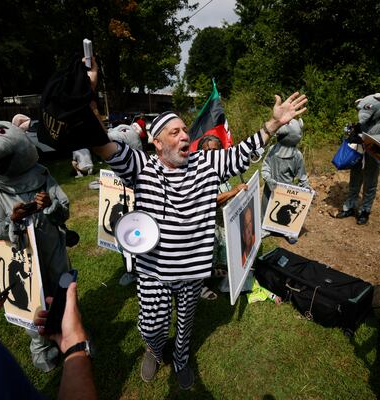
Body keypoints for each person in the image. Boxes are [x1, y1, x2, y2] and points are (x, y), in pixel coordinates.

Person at [95, 79, 306, 389]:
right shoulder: (141, 167)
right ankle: (153, 350)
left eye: (185, 130)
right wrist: (89, 100)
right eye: (175, 132)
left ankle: (181, 358)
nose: (185, 136)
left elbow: (243, 152)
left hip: (194, 269)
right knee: (152, 326)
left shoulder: (206, 163)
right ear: (157, 143)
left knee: (185, 324)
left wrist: (273, 123)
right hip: (154, 271)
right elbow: (103, 146)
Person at [0, 118, 71, 372]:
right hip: (22, 256)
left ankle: (70, 333)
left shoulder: (43, 175)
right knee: (33, 299)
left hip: (53, 247)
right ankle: (41, 347)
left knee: (62, 288)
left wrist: (50, 206)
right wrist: (13, 219)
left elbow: (64, 211)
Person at [197, 135, 248, 299]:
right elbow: (211, 201)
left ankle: (211, 272)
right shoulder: (198, 174)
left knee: (219, 249)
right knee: (204, 254)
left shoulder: (220, 170)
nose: (212, 154)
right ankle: (199, 286)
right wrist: (234, 191)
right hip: (204, 226)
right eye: (208, 151)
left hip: (220, 221)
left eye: (216, 151)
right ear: (200, 153)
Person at [335, 93, 380, 225]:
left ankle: (365, 210)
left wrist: (367, 138)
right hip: (359, 155)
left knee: (370, 183)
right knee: (354, 181)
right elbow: (357, 131)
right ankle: (350, 206)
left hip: (375, 156)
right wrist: (352, 132)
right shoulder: (364, 122)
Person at [261, 118, 309, 243]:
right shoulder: (273, 149)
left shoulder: (297, 155)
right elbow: (265, 166)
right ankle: (266, 228)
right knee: (266, 206)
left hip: (287, 189)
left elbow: (302, 174)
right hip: (270, 187)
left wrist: (306, 187)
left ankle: (289, 231)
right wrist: (268, 178)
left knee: (288, 210)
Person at [240, 202, 256, 267]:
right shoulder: (241, 262)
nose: (249, 230)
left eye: (250, 222)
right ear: (242, 234)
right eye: (246, 225)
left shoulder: (256, 240)